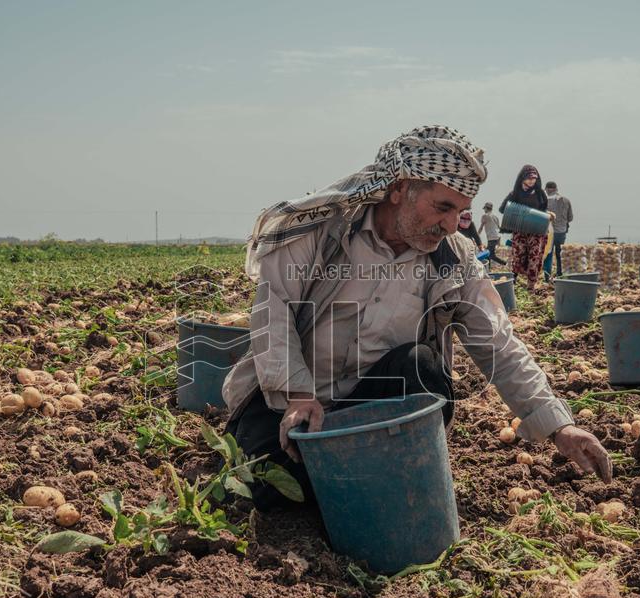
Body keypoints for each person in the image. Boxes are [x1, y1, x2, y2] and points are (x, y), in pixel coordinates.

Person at [224, 126, 612, 510]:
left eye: (460, 212)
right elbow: (273, 314)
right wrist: (298, 395)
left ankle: (368, 474)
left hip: (374, 409)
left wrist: (559, 425)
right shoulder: (326, 234)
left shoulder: (453, 259)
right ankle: (358, 477)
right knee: (266, 488)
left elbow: (498, 343)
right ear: (398, 189)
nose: (450, 224)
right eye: (442, 208)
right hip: (296, 400)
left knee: (422, 365)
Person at [498, 165, 553, 290]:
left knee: (534, 257)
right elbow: (502, 209)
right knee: (518, 256)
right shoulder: (515, 194)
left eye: (534, 178)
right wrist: (516, 213)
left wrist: (547, 215)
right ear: (522, 178)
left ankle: (531, 286)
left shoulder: (540, 194)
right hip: (520, 231)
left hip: (537, 232)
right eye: (529, 178)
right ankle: (512, 282)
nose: (531, 181)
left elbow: (544, 209)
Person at [544, 181, 573, 278]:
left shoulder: (545, 201)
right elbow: (570, 218)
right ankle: (560, 274)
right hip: (562, 232)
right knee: (560, 254)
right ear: (556, 189)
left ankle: (547, 276)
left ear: (547, 189)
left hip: (549, 233)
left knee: (548, 254)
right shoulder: (566, 200)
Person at [479, 202, 505, 266]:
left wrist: (476, 236)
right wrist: (499, 239)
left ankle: (504, 263)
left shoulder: (485, 216)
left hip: (492, 238)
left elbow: (481, 227)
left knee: (490, 255)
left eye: (484, 209)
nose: (484, 210)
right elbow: (499, 228)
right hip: (496, 237)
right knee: (488, 254)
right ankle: (488, 269)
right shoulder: (495, 217)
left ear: (486, 208)